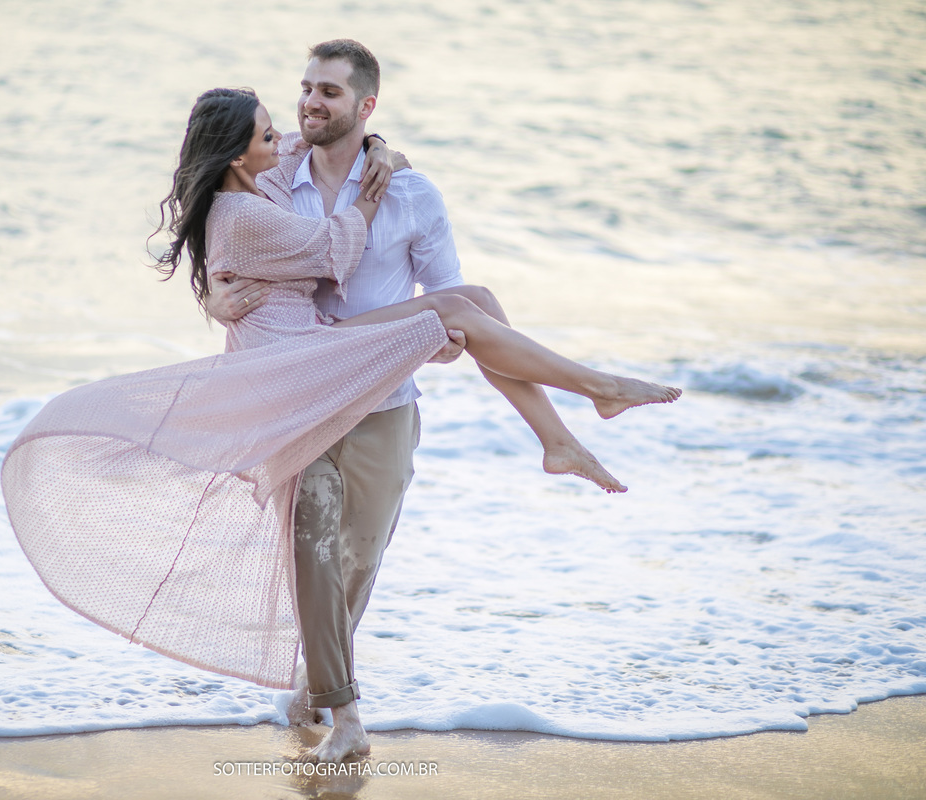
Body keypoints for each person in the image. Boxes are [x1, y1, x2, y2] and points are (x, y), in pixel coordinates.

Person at [199, 40, 679, 761]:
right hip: (303, 393)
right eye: (305, 88)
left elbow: (446, 294)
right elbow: (221, 230)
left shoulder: (410, 192)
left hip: (383, 399)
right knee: (312, 552)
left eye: (329, 92)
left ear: (366, 105)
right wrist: (211, 297)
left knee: (356, 565)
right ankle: (345, 711)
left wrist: (447, 336)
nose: (308, 103)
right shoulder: (274, 176)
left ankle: (314, 687)